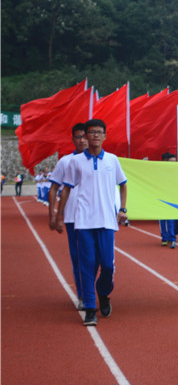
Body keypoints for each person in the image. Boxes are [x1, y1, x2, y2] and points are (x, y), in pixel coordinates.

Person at [54, 119, 127, 326]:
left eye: (99, 132)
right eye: (92, 132)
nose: (95, 135)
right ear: (86, 136)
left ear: (105, 136)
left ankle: (103, 293)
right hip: (84, 221)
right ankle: (89, 308)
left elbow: (123, 184)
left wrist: (122, 209)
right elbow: (66, 189)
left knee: (107, 266)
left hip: (107, 221)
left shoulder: (112, 160)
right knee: (86, 266)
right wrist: (59, 215)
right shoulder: (75, 162)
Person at [48, 123, 88, 308]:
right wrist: (53, 215)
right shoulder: (65, 162)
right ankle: (83, 295)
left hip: (95, 219)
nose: (82, 140)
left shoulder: (102, 161)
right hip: (73, 219)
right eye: (78, 137)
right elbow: (54, 188)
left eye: (85, 136)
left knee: (100, 260)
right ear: (73, 139)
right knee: (78, 259)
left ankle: (99, 291)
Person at [158, 152, 178, 249]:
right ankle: (168, 238)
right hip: (163, 199)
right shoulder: (160, 173)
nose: (174, 163)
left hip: (176, 199)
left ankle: (172, 235)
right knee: (167, 219)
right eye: (171, 161)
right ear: (165, 161)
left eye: (175, 161)